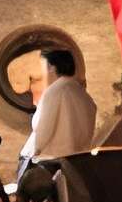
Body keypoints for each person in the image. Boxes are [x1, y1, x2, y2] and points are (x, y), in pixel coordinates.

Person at [14, 48, 94, 183]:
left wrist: (34, 152)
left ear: (51, 67)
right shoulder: (84, 96)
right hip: (75, 162)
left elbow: (43, 129)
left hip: (50, 163)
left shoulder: (54, 92)